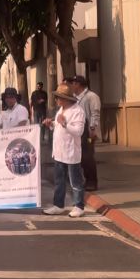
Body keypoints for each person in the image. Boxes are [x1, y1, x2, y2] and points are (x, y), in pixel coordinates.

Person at [42, 84, 86, 217]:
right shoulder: (61, 109)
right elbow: (58, 126)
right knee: (59, 181)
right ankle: (58, 205)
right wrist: (52, 124)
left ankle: (79, 206)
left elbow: (78, 131)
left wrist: (64, 123)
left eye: (58, 98)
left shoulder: (78, 111)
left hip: (71, 152)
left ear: (66, 99)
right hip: (59, 151)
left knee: (75, 181)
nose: (56, 100)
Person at [67, 75, 101, 191]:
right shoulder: (74, 98)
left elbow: (95, 113)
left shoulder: (91, 96)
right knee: (80, 156)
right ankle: (83, 179)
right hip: (78, 132)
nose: (71, 86)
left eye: (73, 83)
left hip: (89, 132)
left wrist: (93, 128)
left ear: (79, 84)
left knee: (88, 156)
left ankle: (92, 181)